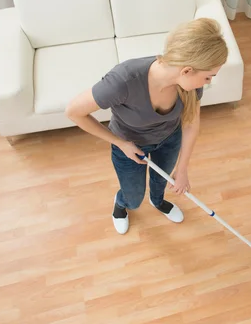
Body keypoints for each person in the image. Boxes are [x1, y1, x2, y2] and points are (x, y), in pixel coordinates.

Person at [65, 18, 228, 234]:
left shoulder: (187, 86)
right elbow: (74, 112)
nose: (208, 82)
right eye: (208, 77)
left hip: (169, 140)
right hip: (129, 147)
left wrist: (182, 168)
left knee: (161, 182)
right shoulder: (123, 80)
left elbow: (190, 125)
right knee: (133, 198)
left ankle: (158, 201)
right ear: (187, 70)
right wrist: (120, 143)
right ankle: (122, 203)